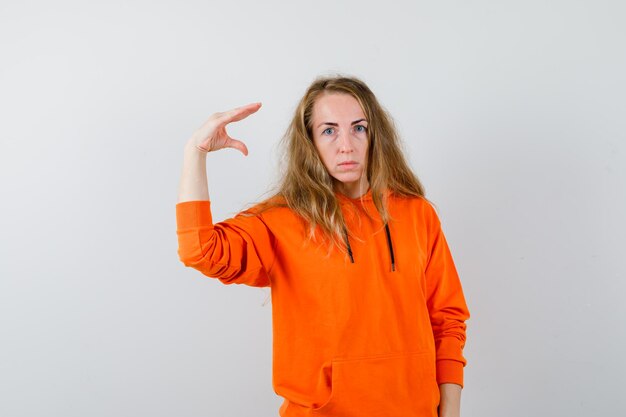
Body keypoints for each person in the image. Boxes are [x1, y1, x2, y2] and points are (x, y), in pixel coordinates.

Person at [176, 75, 470, 417]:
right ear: (310, 140)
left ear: (376, 134)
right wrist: (195, 153)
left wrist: (449, 411)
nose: (346, 144)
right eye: (329, 130)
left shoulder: (418, 213)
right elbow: (199, 249)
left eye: (358, 128)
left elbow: (447, 320)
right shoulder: (282, 220)